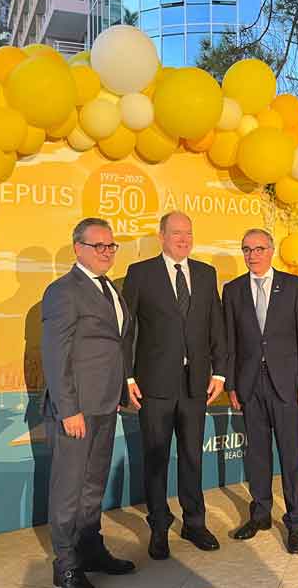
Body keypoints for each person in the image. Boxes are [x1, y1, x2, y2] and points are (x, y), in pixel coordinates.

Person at [122, 211, 227, 560]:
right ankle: (158, 527)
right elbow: (128, 330)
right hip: (154, 384)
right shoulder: (140, 274)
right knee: (156, 458)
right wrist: (128, 377)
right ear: (161, 235)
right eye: (177, 233)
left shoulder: (205, 273)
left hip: (196, 383)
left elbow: (216, 325)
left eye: (188, 233)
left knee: (192, 457)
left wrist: (220, 373)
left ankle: (194, 522)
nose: (183, 239)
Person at [41, 217, 136, 588]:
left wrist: (124, 387)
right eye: (99, 246)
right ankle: (65, 564)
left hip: (105, 403)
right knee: (69, 489)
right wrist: (69, 410)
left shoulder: (109, 287)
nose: (107, 252)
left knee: (93, 484)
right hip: (76, 410)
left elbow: (113, 343)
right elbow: (55, 354)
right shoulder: (63, 291)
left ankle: (90, 549)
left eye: (111, 246)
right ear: (77, 248)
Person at [222, 228, 298, 554]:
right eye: (247, 249)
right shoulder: (232, 290)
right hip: (250, 385)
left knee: (290, 457)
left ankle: (295, 523)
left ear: (271, 250)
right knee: (258, 455)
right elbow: (230, 342)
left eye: (259, 248)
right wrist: (233, 385)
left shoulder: (293, 287)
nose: (253, 255)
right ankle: (260, 514)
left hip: (286, 385)